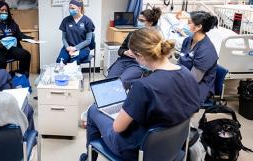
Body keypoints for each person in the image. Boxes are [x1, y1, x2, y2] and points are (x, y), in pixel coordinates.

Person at [80, 28, 200, 161]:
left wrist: (125, 109)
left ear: (140, 56)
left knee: (93, 110)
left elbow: (118, 128)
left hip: (136, 150)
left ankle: (89, 157)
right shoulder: (186, 73)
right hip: (173, 145)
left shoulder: (143, 86)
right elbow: (192, 111)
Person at [107, 7, 162, 89]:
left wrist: (139, 55)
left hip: (137, 64)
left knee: (121, 82)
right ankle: (101, 101)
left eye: (142, 21)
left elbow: (155, 57)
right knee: (109, 81)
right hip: (124, 61)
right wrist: (125, 52)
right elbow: (120, 50)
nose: (138, 22)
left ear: (150, 22)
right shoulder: (133, 34)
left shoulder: (154, 38)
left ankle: (113, 100)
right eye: (138, 19)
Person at [178, 11, 218, 104]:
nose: (186, 24)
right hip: (184, 79)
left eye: (189, 22)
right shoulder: (187, 40)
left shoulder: (206, 50)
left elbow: (194, 79)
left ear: (199, 27)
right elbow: (179, 64)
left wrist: (174, 84)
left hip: (198, 86)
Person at [0, 1, 32, 77]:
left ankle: (22, 76)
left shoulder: (11, 22)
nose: (4, 12)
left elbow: (19, 35)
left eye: (6, 10)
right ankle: (0, 82)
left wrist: (31, 39)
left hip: (10, 48)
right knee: (0, 61)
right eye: (2, 10)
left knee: (26, 55)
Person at [56, 0, 95, 64]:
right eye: (69, 8)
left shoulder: (87, 21)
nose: (70, 10)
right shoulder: (66, 20)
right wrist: (67, 47)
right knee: (60, 61)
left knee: (73, 61)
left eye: (73, 8)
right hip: (68, 47)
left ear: (79, 8)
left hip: (82, 49)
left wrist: (75, 48)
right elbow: (64, 38)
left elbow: (88, 41)